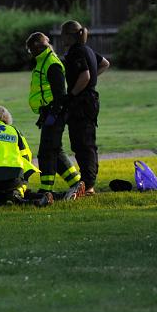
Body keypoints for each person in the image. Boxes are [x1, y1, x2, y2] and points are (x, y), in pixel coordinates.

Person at [25, 32, 86, 200]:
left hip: (55, 113)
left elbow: (60, 93)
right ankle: (77, 183)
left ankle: (46, 190)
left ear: (37, 47)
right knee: (55, 150)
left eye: (31, 50)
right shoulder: (43, 61)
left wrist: (53, 114)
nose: (30, 53)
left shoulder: (51, 64)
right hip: (50, 113)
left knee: (46, 152)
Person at [60, 20, 110, 196]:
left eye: (63, 34)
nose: (61, 38)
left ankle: (88, 185)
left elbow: (85, 75)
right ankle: (89, 182)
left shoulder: (76, 52)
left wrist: (72, 94)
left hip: (81, 102)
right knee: (87, 142)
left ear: (69, 35)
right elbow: (105, 63)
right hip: (90, 100)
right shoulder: (87, 49)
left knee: (82, 143)